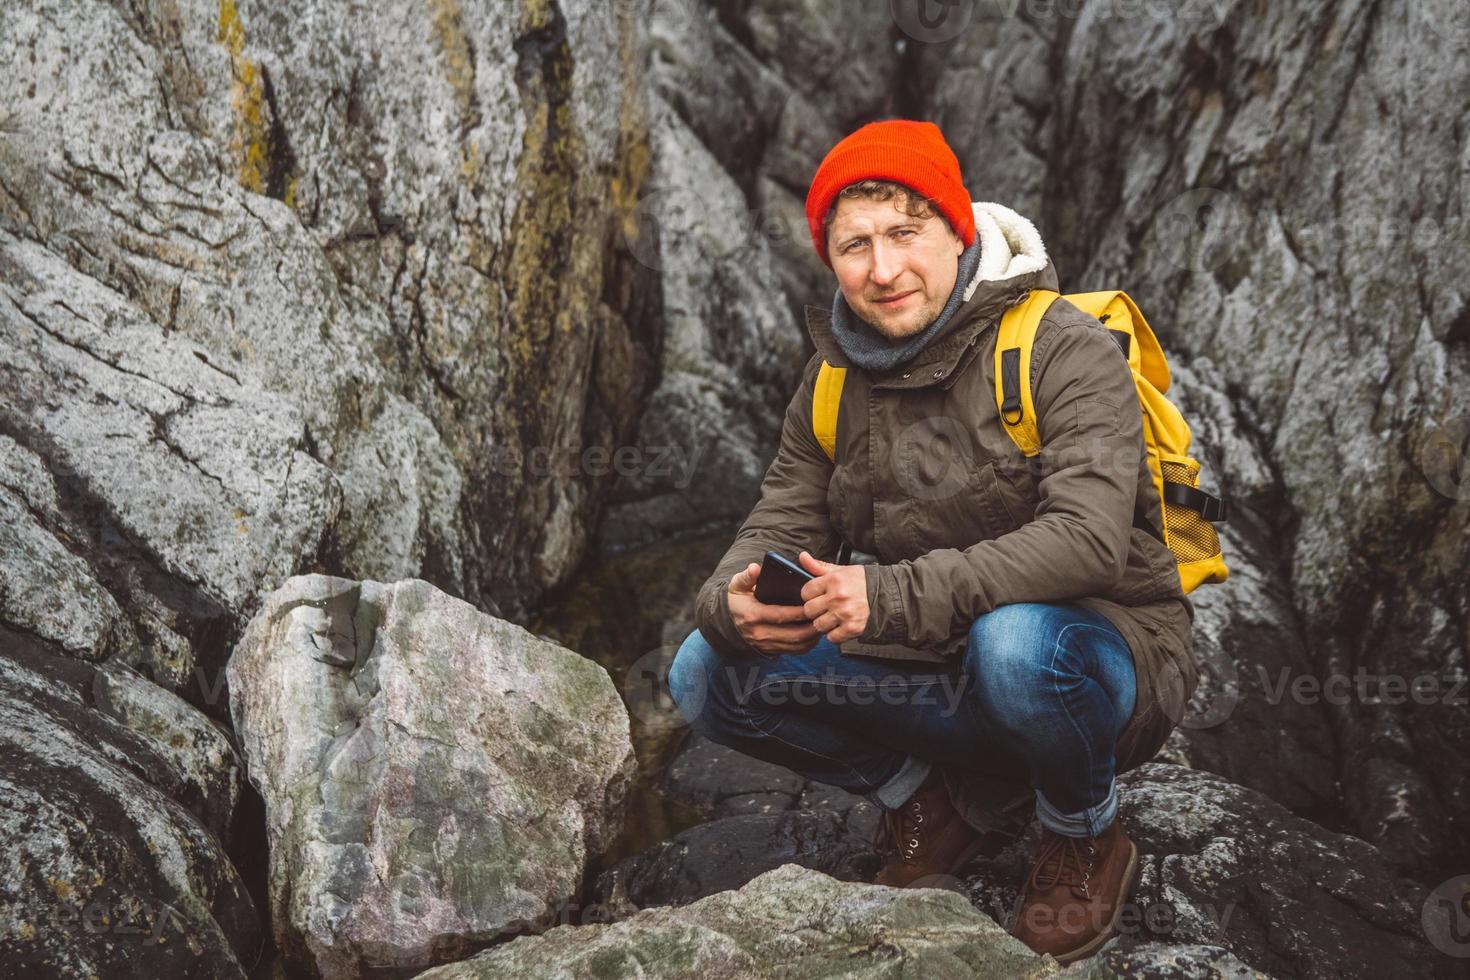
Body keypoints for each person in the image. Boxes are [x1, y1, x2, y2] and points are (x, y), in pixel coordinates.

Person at [667, 119, 1198, 966]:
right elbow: (775, 524)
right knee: (704, 669)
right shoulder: (833, 380)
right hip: (939, 659)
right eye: (855, 246)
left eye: (906, 234)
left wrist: (886, 598)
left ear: (957, 229)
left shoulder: (1061, 346)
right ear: (828, 260)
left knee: (1015, 644)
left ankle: (1082, 830)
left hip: (1094, 653)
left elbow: (1090, 540)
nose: (882, 270)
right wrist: (728, 602)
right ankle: (928, 800)